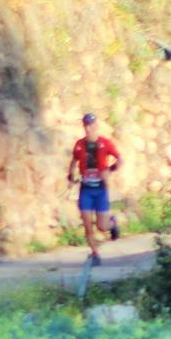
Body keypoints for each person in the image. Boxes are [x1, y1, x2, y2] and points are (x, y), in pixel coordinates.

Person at [68, 112, 122, 266]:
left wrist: (109, 170)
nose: (87, 128)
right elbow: (73, 161)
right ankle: (95, 253)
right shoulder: (79, 145)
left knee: (101, 226)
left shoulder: (105, 143)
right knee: (87, 224)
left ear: (95, 126)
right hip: (86, 190)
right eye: (85, 125)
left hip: (100, 189)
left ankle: (112, 223)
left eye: (90, 125)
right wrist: (70, 176)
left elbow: (120, 159)